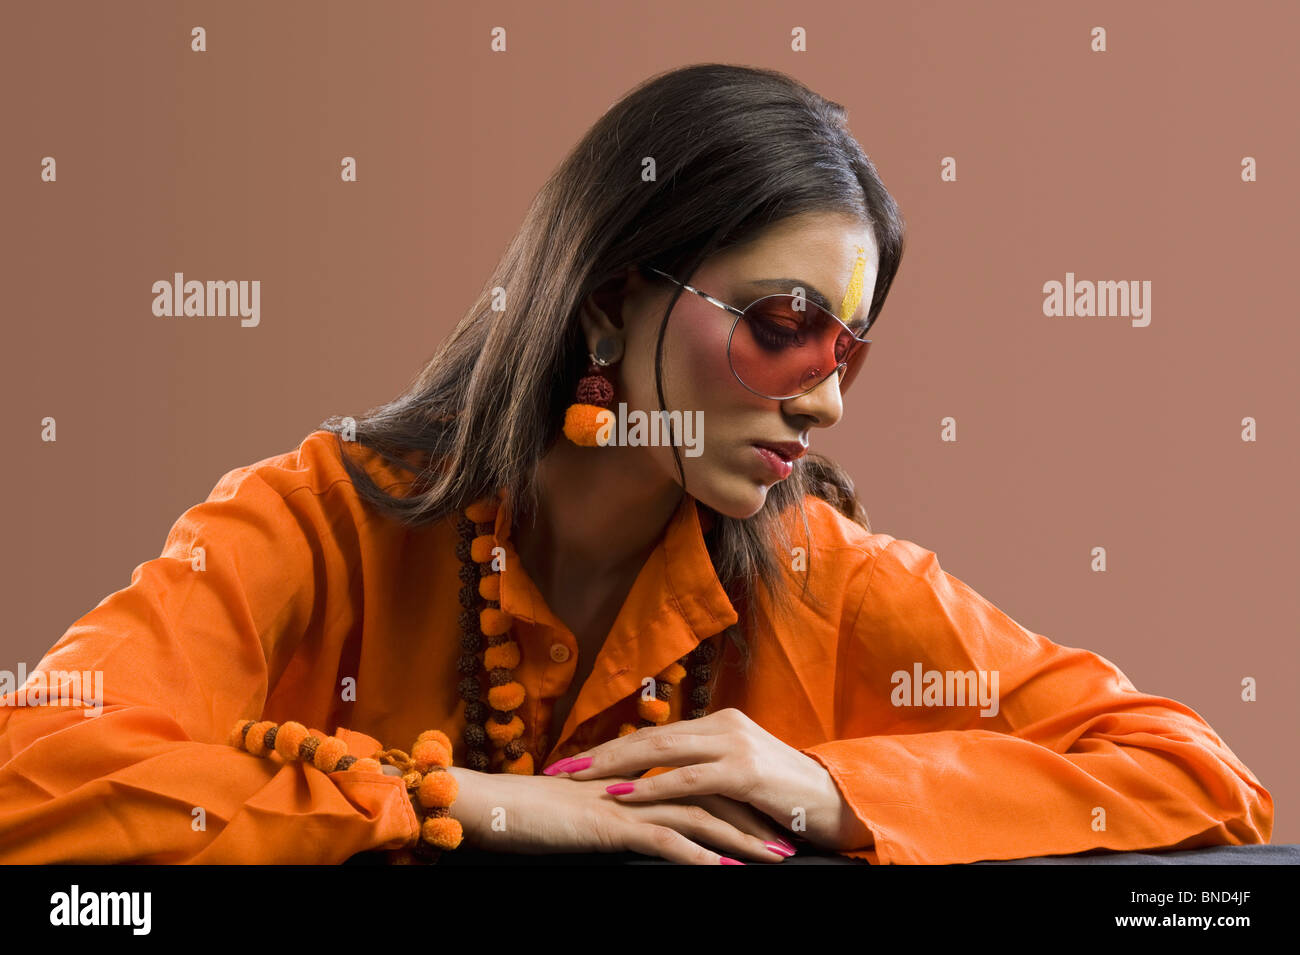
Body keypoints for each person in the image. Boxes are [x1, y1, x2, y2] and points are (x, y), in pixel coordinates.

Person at [0, 64, 1272, 865]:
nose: (823, 397)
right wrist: (478, 807)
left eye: (849, 350)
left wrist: (820, 785)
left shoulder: (817, 571)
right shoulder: (317, 522)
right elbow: (31, 780)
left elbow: (1192, 771)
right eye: (780, 327)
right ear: (610, 304)